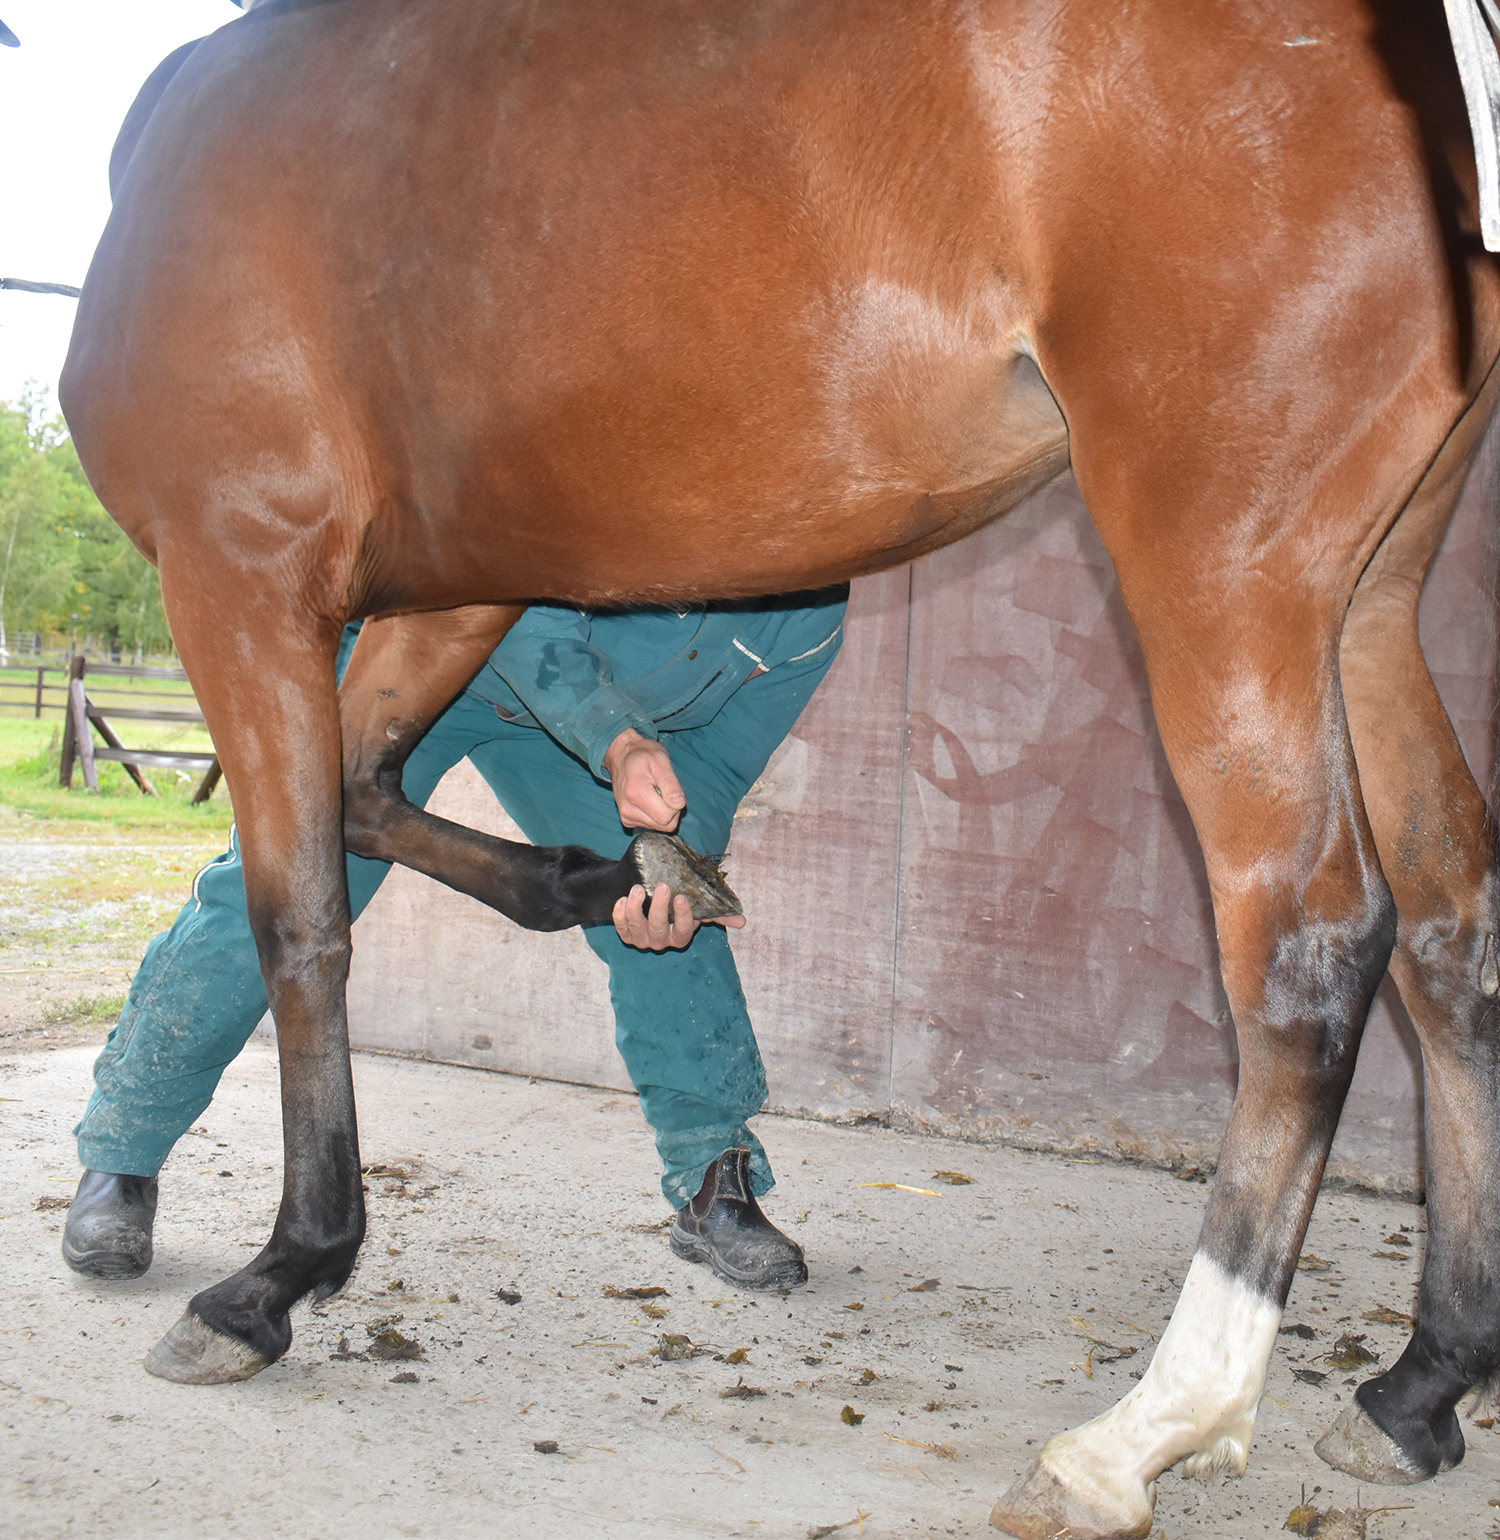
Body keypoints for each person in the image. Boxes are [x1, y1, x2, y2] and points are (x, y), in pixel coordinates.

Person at [63, 590, 848, 1292]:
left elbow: (714, 769)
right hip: (431, 649)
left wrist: (671, 876)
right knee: (282, 897)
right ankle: (122, 1154)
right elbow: (503, 595)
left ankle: (714, 1177)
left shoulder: (812, 609)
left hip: (583, 734)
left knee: (668, 926)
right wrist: (617, 739)